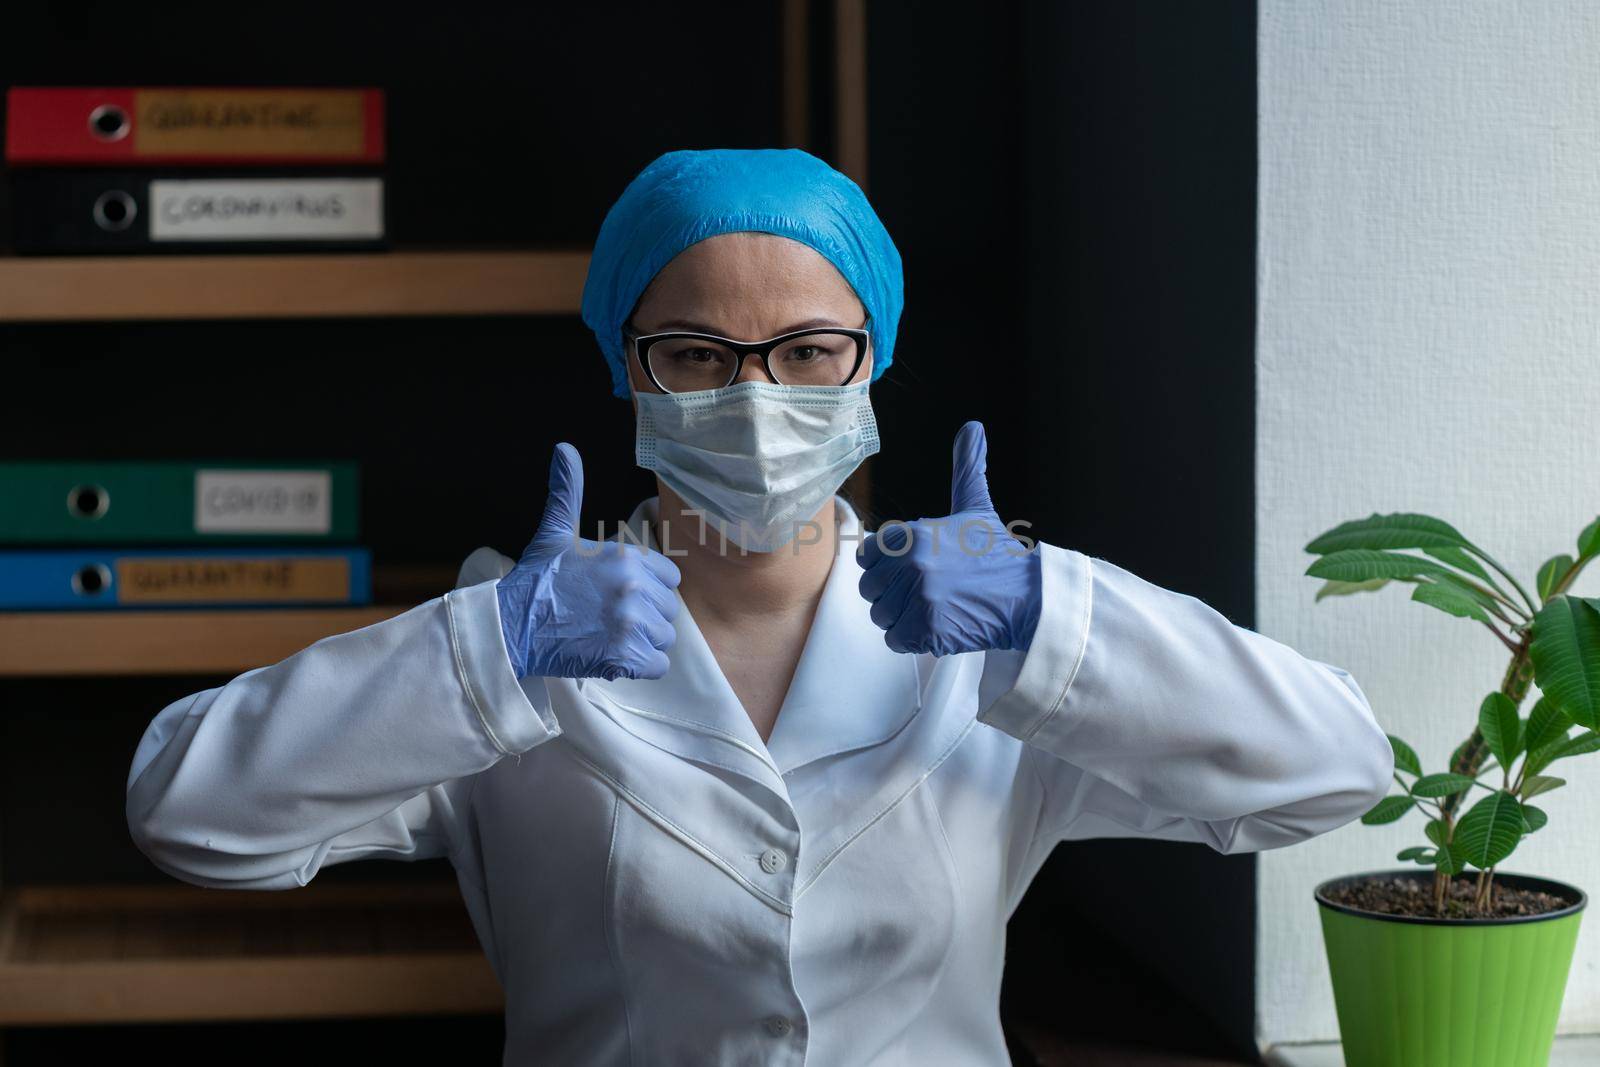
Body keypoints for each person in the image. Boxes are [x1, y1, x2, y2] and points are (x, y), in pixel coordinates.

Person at [125, 148, 1393, 1065]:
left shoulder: (988, 655)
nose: (754, 394)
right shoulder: (513, 642)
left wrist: (1050, 611)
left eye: (805, 351)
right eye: (693, 353)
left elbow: (1331, 771)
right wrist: (486, 653)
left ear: (873, 359)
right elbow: (190, 815)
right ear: (626, 366)